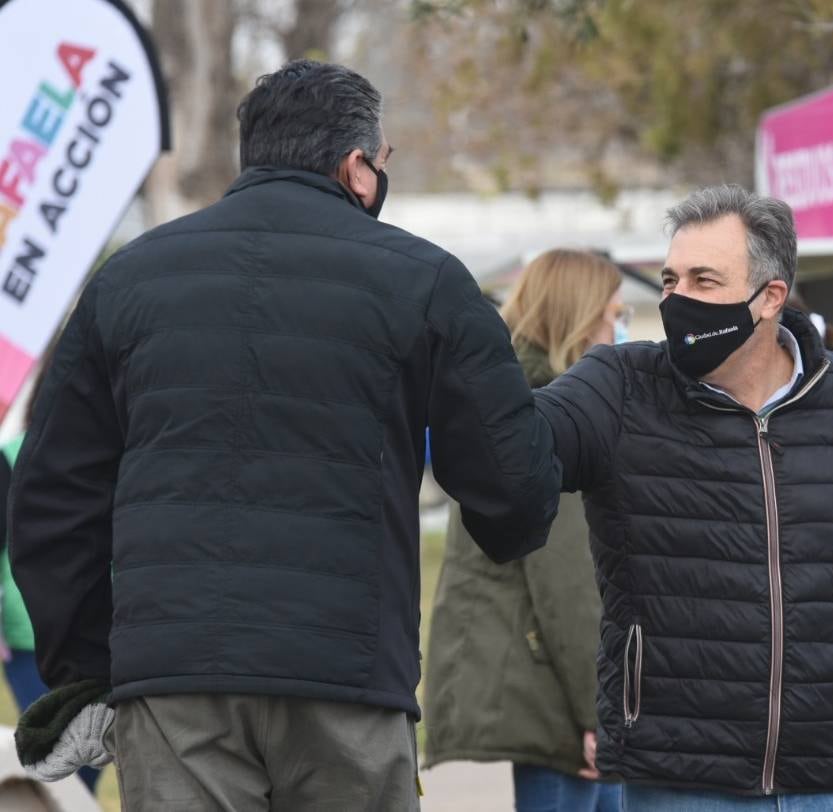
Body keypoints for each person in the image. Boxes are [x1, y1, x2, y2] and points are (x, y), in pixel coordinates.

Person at [6, 60, 559, 811]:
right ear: (357, 167)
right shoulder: (427, 281)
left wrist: (94, 663)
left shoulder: (127, 281)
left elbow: (49, 495)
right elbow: (515, 487)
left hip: (176, 682)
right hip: (347, 676)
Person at [532, 185, 833, 811]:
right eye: (669, 279)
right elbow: (519, 453)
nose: (677, 298)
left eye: (704, 280)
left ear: (769, 297)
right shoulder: (621, 386)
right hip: (687, 783)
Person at [425, 249, 626, 812]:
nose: (619, 329)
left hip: (545, 685)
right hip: (558, 699)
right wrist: (598, 710)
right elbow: (569, 581)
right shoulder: (550, 417)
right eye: (613, 314)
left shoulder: (508, 399)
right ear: (578, 318)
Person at [1, 365, 102, 795]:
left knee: (83, 763)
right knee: (60, 764)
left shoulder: (113, 456)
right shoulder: (10, 455)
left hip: (95, 634)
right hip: (32, 636)